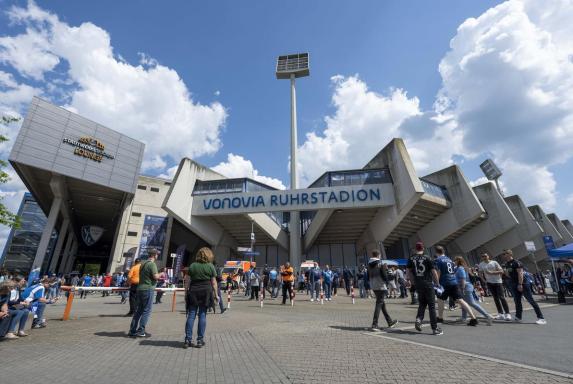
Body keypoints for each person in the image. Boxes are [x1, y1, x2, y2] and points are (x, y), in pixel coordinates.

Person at [433, 246, 478, 326]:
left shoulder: (438, 260)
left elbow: (438, 272)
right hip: (453, 282)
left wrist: (437, 283)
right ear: (443, 251)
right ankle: (473, 318)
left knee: (440, 299)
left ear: (436, 252)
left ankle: (440, 318)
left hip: (444, 283)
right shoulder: (450, 260)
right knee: (460, 300)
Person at [184, 247, 219, 348]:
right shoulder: (210, 266)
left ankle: (187, 340)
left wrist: (186, 293)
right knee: (202, 315)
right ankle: (200, 340)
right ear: (209, 255)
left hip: (193, 291)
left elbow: (187, 281)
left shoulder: (192, 266)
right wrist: (216, 295)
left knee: (191, 315)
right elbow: (214, 282)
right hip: (206, 292)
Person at [407, 241, 443, 335]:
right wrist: (437, 283)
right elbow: (434, 272)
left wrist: (412, 282)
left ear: (415, 249)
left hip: (418, 284)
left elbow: (409, 272)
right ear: (423, 248)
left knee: (422, 303)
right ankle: (434, 328)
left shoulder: (411, 258)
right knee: (431, 306)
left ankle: (419, 319)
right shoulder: (427, 258)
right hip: (427, 283)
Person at [501, 249, 546, 325]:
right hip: (514, 283)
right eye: (503, 254)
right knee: (517, 301)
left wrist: (520, 284)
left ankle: (541, 318)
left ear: (510, 254)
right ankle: (518, 317)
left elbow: (520, 273)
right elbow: (508, 275)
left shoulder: (517, 262)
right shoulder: (507, 264)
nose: (503, 255)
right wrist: (505, 272)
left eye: (505, 254)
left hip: (523, 284)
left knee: (531, 300)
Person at [129, 249, 160, 337]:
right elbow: (155, 276)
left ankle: (132, 330)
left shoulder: (142, 263)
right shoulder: (152, 264)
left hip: (140, 288)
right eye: (157, 254)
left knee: (139, 310)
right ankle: (141, 330)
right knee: (147, 310)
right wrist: (161, 274)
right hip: (148, 289)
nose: (157, 256)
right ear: (155, 255)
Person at [454, 257, 493, 325]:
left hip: (465, 287)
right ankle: (464, 318)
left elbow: (463, 279)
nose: (454, 261)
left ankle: (488, 316)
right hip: (466, 287)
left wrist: (462, 289)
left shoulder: (460, 268)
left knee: (472, 303)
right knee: (464, 303)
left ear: (458, 261)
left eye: (455, 260)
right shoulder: (461, 268)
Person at [368, 250, 398, 331]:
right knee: (379, 304)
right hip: (381, 286)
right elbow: (384, 275)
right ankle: (374, 324)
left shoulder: (369, 264)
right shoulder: (380, 263)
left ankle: (390, 322)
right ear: (378, 255)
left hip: (373, 285)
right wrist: (387, 282)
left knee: (382, 304)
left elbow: (367, 276)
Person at [478, 252, 511, 321]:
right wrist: (484, 280)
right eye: (482, 256)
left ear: (488, 256)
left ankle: (507, 314)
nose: (484, 257)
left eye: (485, 256)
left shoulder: (494, 262)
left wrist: (492, 273)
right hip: (489, 283)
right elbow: (480, 273)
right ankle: (500, 313)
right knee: (495, 298)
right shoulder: (481, 264)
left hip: (498, 282)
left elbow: (501, 271)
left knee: (502, 297)